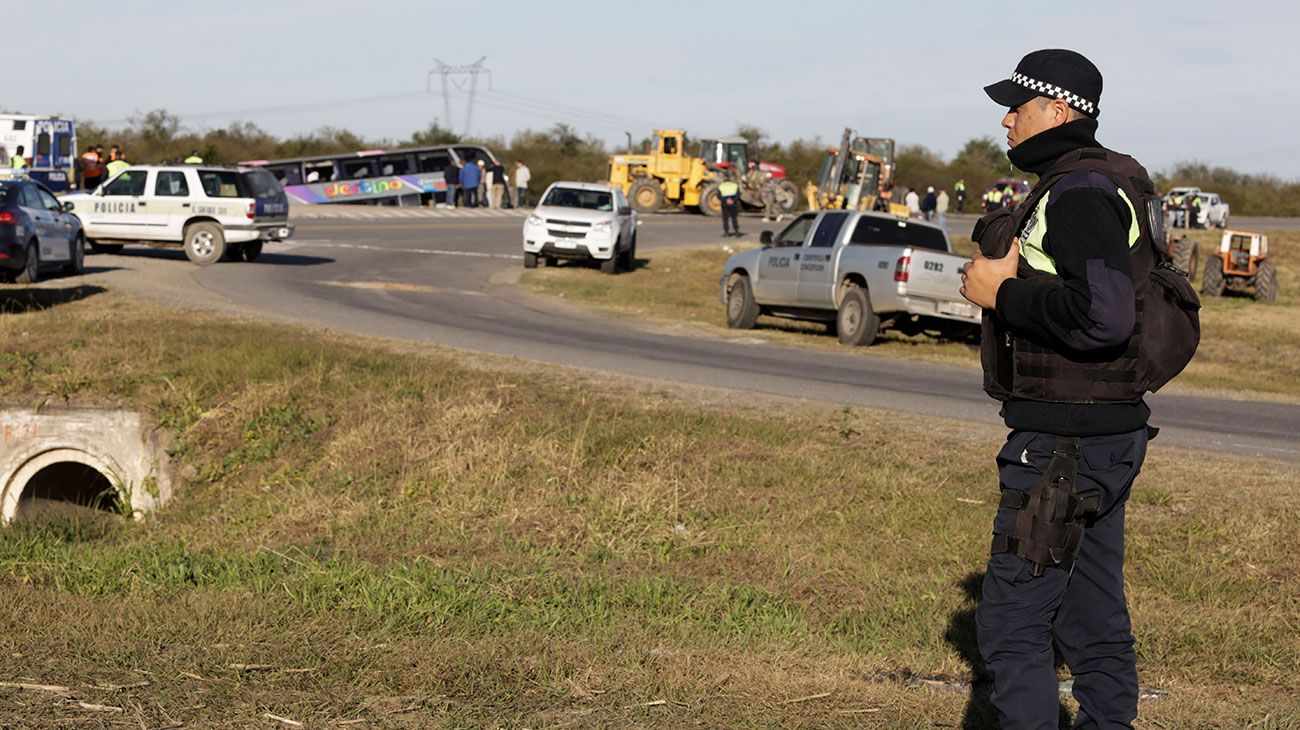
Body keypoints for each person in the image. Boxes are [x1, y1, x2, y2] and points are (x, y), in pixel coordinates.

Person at [961, 48, 1163, 729]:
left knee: (1013, 623)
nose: (1006, 121)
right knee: (1092, 613)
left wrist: (1002, 293)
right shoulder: (1103, 183)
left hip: (1064, 444)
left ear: (1059, 111)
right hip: (1106, 435)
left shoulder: (1077, 194)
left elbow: (1104, 316)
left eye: (1016, 107)